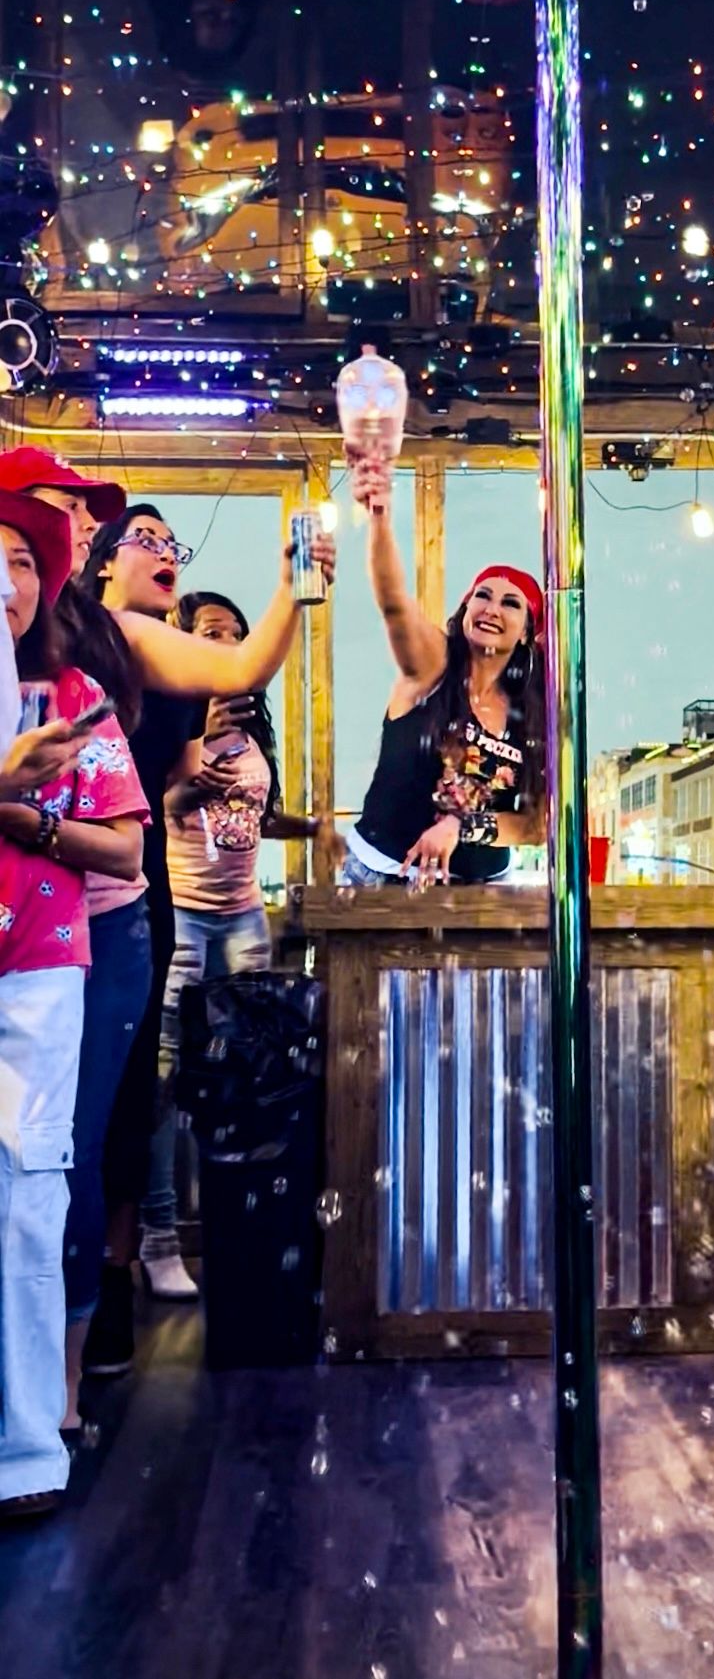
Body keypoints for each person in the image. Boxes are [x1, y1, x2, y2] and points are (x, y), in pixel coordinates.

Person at [0, 448, 334, 1388]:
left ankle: (84, 1329)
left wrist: (293, 586)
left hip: (104, 900)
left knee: (92, 1124)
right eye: (55, 505)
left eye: (81, 512)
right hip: (55, 889)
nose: (71, 519)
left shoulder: (105, 643)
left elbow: (239, 664)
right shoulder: (26, 625)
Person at [0, 492, 148, 1520]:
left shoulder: (71, 693)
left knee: (32, 1180)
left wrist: (29, 822)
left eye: (17, 557)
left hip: (45, 954)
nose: (1, 579)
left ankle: (25, 1446)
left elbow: (127, 847)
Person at [140, 589, 342, 1296]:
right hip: (186, 917)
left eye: (237, 635)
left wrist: (311, 828)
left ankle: (249, 1229)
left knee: (255, 1079)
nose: (228, 646)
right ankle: (160, 1237)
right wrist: (192, 783)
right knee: (165, 1080)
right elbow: (155, 812)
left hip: (245, 916)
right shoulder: (169, 719)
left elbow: (253, 813)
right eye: (212, 634)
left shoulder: (254, 735)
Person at [344, 456, 545, 889]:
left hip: (483, 892)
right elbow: (394, 603)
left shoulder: (530, 709)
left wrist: (462, 826)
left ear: (528, 633)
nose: (491, 608)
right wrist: (379, 518)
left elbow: (535, 824)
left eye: (511, 604)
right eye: (482, 596)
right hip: (387, 878)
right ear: (465, 607)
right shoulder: (434, 665)